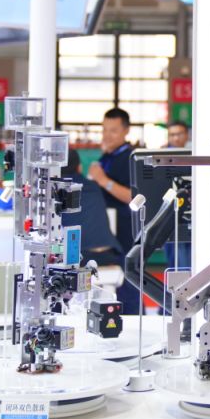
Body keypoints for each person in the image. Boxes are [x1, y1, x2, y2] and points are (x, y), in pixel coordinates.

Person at [87, 107, 140, 313]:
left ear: (126, 131)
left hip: (126, 231)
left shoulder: (131, 158)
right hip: (109, 231)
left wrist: (103, 180)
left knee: (128, 282)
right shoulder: (107, 156)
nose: (107, 135)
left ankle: (134, 320)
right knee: (113, 284)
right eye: (104, 130)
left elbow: (134, 197)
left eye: (113, 130)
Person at [60, 149, 121, 268]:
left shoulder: (55, 190)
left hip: (79, 256)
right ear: (79, 168)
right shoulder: (94, 186)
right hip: (108, 253)